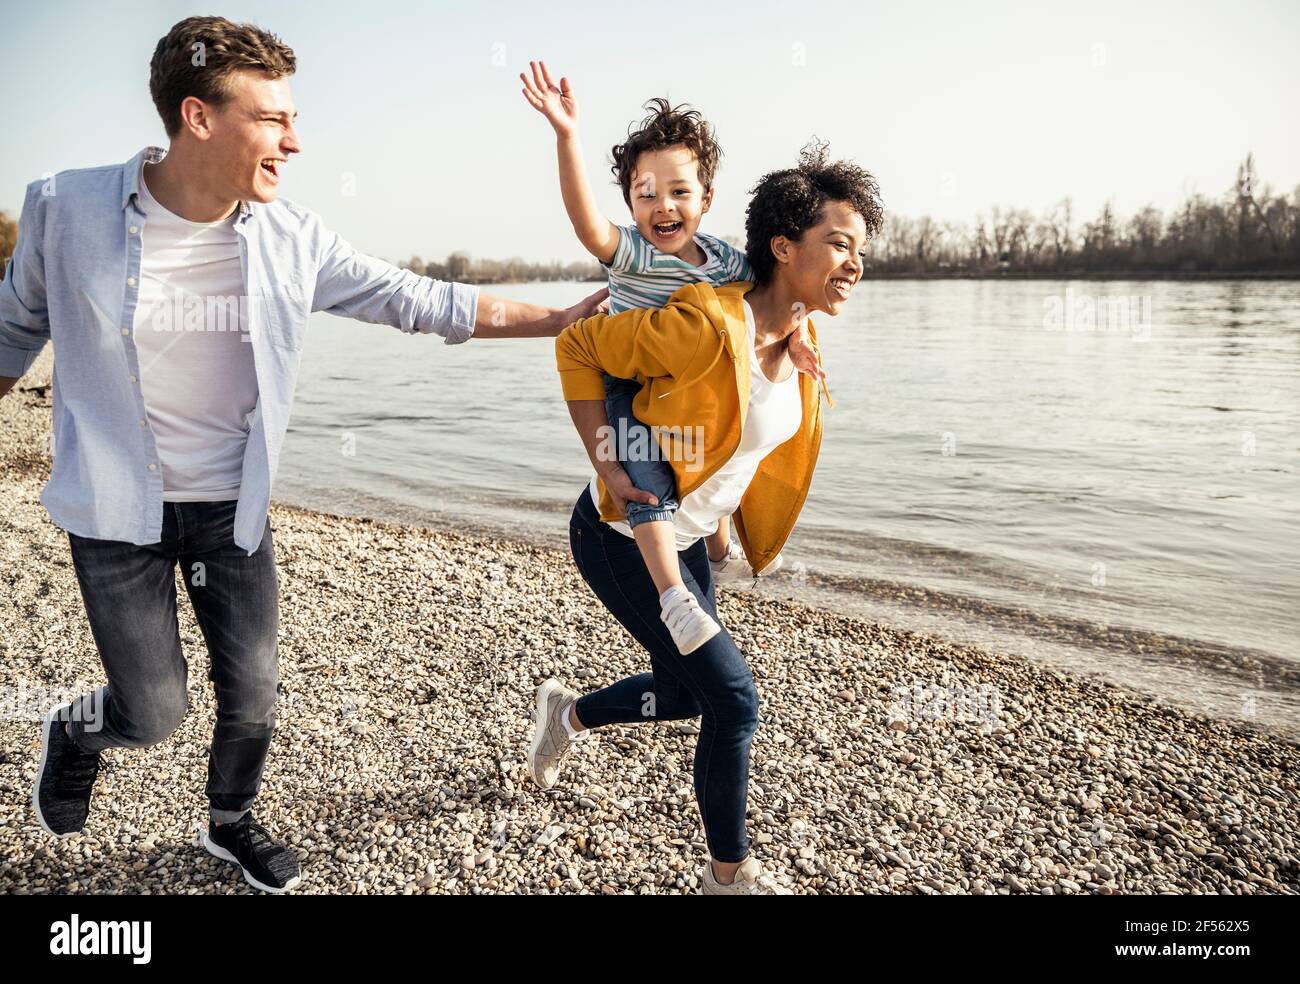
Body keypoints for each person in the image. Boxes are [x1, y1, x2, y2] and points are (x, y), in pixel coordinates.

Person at [0, 16, 606, 894]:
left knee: (253, 692)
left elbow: (421, 299)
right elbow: (14, 324)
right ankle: (77, 733)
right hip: (112, 510)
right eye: (272, 118)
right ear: (199, 117)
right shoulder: (66, 208)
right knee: (154, 709)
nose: (296, 138)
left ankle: (230, 823)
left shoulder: (293, 239)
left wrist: (554, 318)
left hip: (231, 510)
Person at [529, 141, 883, 894]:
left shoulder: (801, 334)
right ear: (784, 248)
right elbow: (580, 344)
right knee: (733, 700)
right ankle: (730, 874)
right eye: (840, 244)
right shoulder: (700, 322)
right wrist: (606, 458)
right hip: (618, 533)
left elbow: (734, 443)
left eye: (862, 248)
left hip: (686, 538)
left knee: (687, 691)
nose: (855, 262)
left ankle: (568, 715)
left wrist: (726, 535)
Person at [521, 61, 822, 656]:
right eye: (646, 193)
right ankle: (672, 597)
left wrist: (799, 337)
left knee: (721, 451)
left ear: (706, 198)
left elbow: (771, 300)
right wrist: (566, 136)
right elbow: (586, 223)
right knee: (647, 478)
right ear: (631, 202)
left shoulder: (726, 261)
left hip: (687, 391)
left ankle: (717, 546)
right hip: (630, 390)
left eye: (679, 191)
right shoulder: (630, 253)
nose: (663, 205)